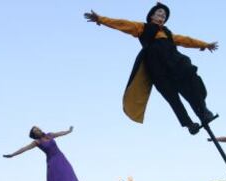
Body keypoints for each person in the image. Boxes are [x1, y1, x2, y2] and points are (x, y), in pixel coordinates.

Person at [84, 2, 218, 135]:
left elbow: (186, 40)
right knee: (172, 97)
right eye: (160, 12)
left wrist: (205, 45)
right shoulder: (142, 27)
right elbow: (122, 24)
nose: (163, 15)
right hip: (158, 67)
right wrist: (101, 19)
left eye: (164, 14)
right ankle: (189, 124)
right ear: (151, 16)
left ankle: (203, 112)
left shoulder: (168, 34)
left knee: (192, 82)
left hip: (175, 63)